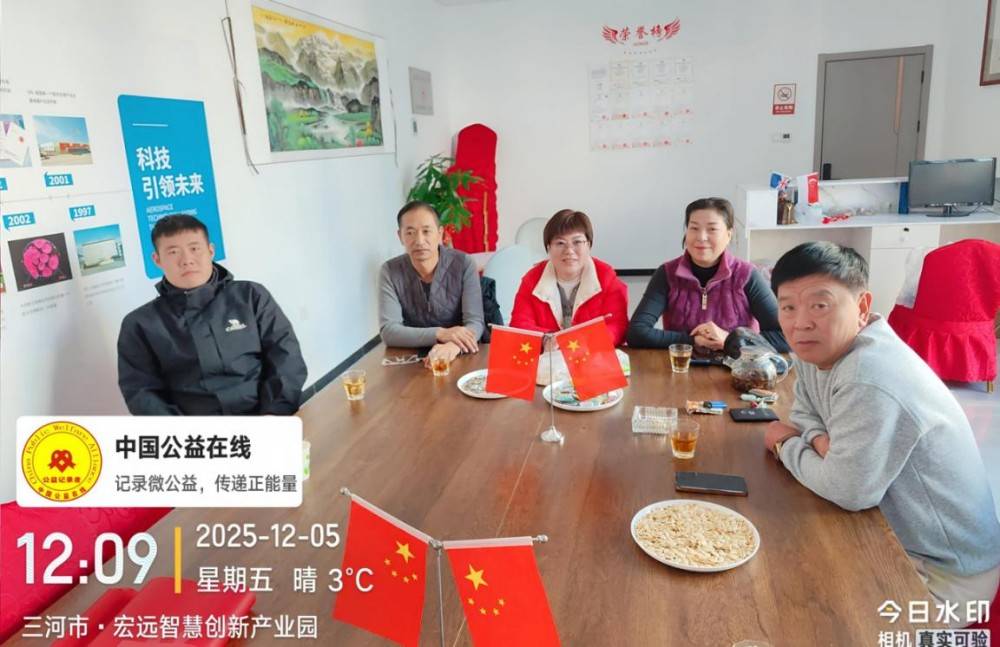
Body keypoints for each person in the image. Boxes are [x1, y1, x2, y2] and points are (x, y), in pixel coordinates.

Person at [763, 241, 1000, 620]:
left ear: (861, 307)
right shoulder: (815, 348)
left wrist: (786, 444)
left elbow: (846, 490)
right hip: (893, 533)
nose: (800, 322)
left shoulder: (869, 374)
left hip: (945, 574)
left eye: (820, 305)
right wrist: (820, 441)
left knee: (799, 611)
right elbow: (804, 410)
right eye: (788, 307)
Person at [118, 214, 307, 415]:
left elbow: (286, 357)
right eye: (173, 252)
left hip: (266, 417)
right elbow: (141, 392)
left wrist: (274, 414)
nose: (187, 260)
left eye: (194, 249)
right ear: (157, 260)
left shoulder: (250, 296)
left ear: (210, 251)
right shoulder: (140, 324)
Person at [626, 197, 788, 354]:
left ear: (729, 235)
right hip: (681, 366)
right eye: (694, 228)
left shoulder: (747, 275)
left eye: (712, 229)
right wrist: (693, 341)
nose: (701, 237)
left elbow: (785, 336)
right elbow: (637, 332)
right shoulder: (667, 273)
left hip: (739, 368)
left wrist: (731, 340)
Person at [378, 201, 484, 366]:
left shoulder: (463, 263)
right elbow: (389, 331)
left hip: (460, 354)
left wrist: (453, 346)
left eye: (426, 231)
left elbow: (475, 322)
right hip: (412, 358)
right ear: (400, 236)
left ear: (440, 234)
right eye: (410, 233)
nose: (419, 241)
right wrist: (440, 333)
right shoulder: (390, 271)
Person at [509, 209, 628, 345]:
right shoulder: (532, 279)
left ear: (589, 245)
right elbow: (519, 325)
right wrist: (548, 339)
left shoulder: (606, 278)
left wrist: (582, 341)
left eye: (577, 242)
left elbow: (618, 326)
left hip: (591, 354)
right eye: (560, 243)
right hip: (547, 355)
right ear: (548, 247)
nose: (569, 251)